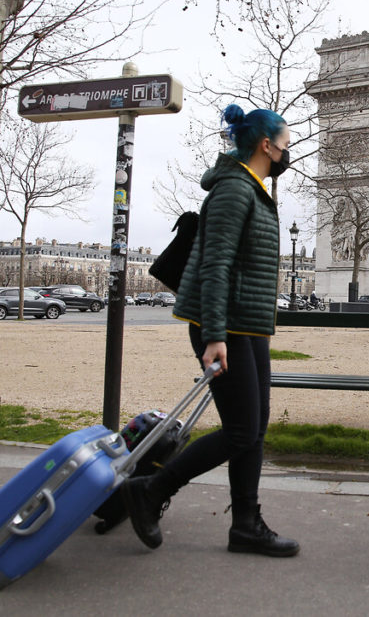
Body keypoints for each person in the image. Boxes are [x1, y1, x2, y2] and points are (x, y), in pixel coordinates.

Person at [121, 104, 299, 557]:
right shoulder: (234, 190)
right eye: (285, 145)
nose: (288, 152)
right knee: (241, 431)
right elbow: (215, 266)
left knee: (253, 430)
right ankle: (153, 489)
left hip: (249, 327)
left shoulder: (253, 188)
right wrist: (215, 335)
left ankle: (245, 525)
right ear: (266, 146)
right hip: (225, 328)